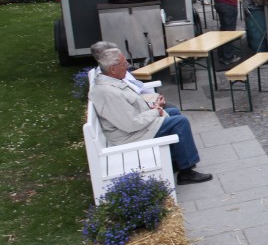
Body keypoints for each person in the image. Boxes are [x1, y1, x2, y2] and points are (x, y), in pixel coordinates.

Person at [90, 47, 213, 185]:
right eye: (124, 64)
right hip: (129, 136)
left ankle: (176, 162)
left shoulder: (111, 83)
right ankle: (186, 173)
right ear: (113, 69)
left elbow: (130, 108)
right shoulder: (109, 93)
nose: (128, 66)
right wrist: (156, 111)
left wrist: (152, 106)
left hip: (133, 128)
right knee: (180, 122)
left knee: (173, 112)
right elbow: (131, 124)